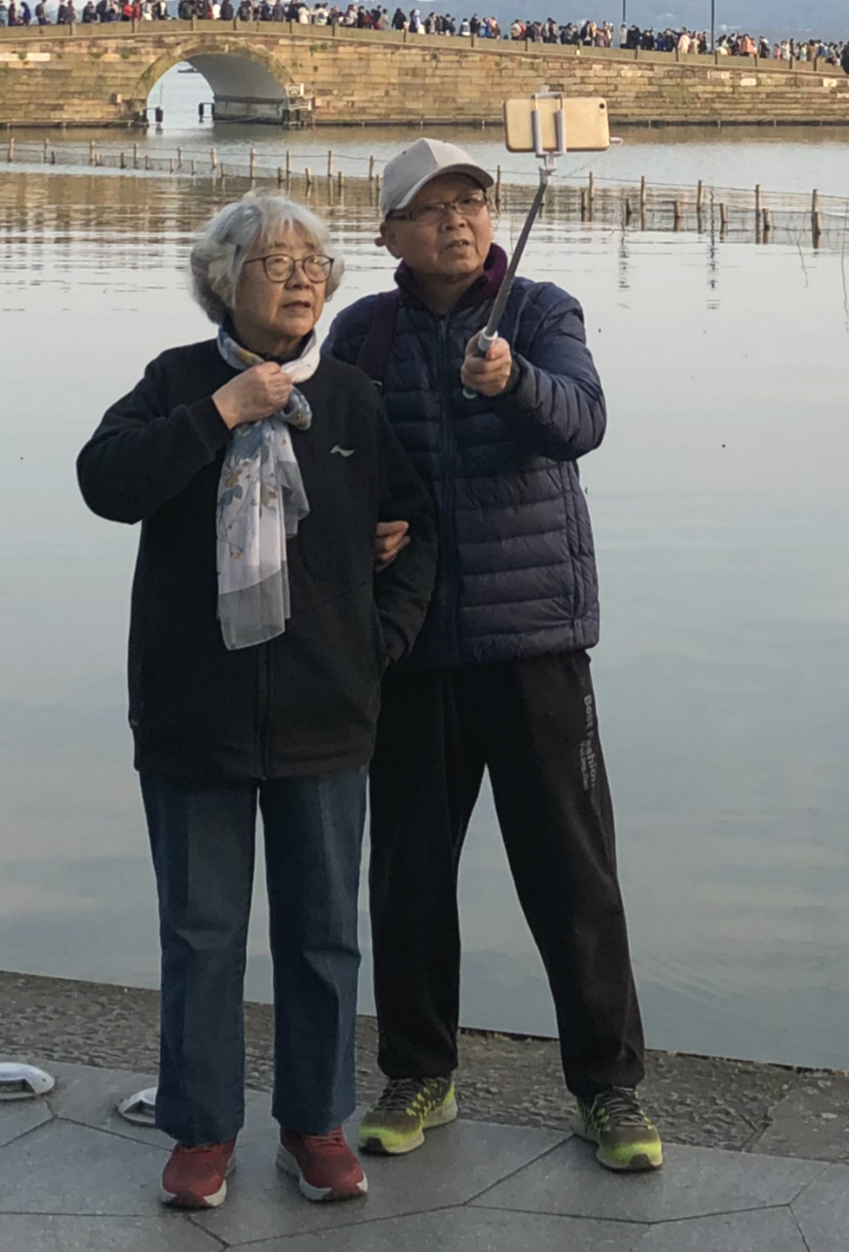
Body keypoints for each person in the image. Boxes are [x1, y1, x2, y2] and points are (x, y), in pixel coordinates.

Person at [77, 192, 437, 1212]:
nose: (299, 277)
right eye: (274, 261)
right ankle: (201, 1130)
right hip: (196, 715)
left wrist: (378, 645)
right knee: (200, 933)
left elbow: (417, 530)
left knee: (324, 930)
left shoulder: (355, 401)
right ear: (223, 281)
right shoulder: (178, 382)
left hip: (328, 714)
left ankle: (315, 1123)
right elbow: (105, 480)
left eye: (312, 262)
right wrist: (220, 415)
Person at [322, 137, 661, 1173]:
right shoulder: (362, 333)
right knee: (411, 873)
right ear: (389, 235)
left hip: (535, 641)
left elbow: (582, 422)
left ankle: (609, 1088)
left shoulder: (541, 312)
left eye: (471, 201)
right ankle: (419, 1070)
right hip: (411, 646)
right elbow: (335, 464)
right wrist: (359, 527)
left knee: (571, 872)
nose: (457, 221)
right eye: (429, 209)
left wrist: (512, 383)